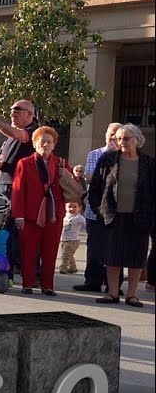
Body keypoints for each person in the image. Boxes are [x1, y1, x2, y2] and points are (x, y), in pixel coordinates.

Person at [89, 124, 153, 307]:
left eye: (126, 138)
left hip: (139, 217)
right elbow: (95, 188)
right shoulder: (107, 159)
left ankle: (132, 295)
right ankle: (112, 293)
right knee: (112, 257)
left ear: (137, 140)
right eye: (118, 139)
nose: (121, 142)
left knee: (136, 257)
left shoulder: (149, 163)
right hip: (112, 216)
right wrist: (99, 211)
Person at [0, 98, 38, 274]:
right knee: (1, 229)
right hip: (2, 186)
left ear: (29, 114)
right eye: (11, 110)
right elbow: (0, 157)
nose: (12, 113)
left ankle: (15, 267)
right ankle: (2, 265)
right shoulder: (10, 137)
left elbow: (18, 135)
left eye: (17, 110)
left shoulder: (32, 131)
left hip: (17, 189)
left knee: (13, 231)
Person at [11, 126, 67, 295]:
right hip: (30, 215)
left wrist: (70, 175)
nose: (46, 145)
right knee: (28, 251)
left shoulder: (60, 163)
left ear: (54, 145)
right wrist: (18, 215)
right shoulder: (24, 163)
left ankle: (47, 285)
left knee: (50, 251)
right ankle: (27, 283)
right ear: (34, 144)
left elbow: (72, 184)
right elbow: (18, 191)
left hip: (54, 214)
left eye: (49, 142)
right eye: (42, 141)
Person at [74, 123, 123, 293]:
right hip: (95, 210)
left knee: (115, 249)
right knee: (94, 247)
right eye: (111, 134)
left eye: (117, 135)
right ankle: (92, 281)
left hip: (116, 212)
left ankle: (113, 286)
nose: (113, 137)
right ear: (105, 135)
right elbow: (89, 177)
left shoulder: (126, 157)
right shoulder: (95, 154)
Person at [59, 201, 85, 274]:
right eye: (69, 206)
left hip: (73, 240)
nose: (72, 209)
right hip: (64, 239)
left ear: (80, 208)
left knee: (65, 255)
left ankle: (63, 268)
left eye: (75, 207)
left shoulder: (79, 218)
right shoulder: (65, 215)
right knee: (68, 254)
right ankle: (73, 268)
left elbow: (86, 225)